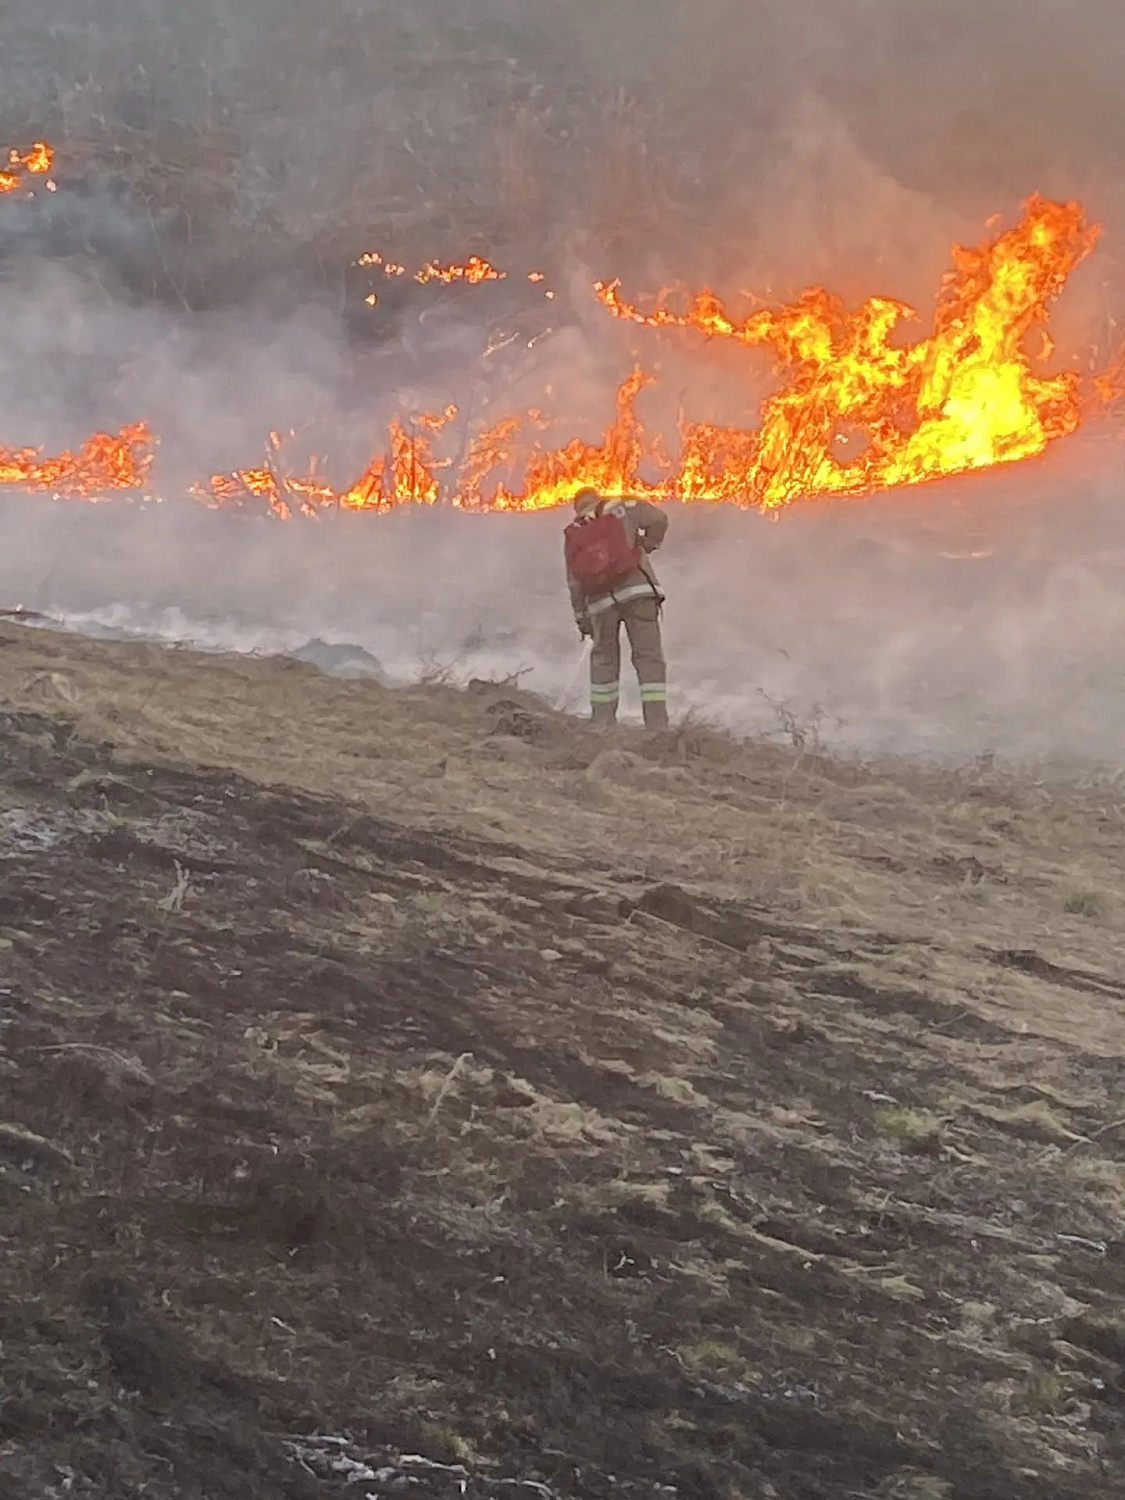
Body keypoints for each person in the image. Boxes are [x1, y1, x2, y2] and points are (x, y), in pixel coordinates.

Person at [565, 487, 669, 729]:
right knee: (648, 658)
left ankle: (602, 724)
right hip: (638, 594)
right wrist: (648, 543)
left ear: (577, 506)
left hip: (601, 605)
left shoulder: (575, 531)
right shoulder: (622, 506)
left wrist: (582, 618)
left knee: (604, 661)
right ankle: (657, 725)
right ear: (597, 497)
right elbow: (659, 519)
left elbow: (574, 582)